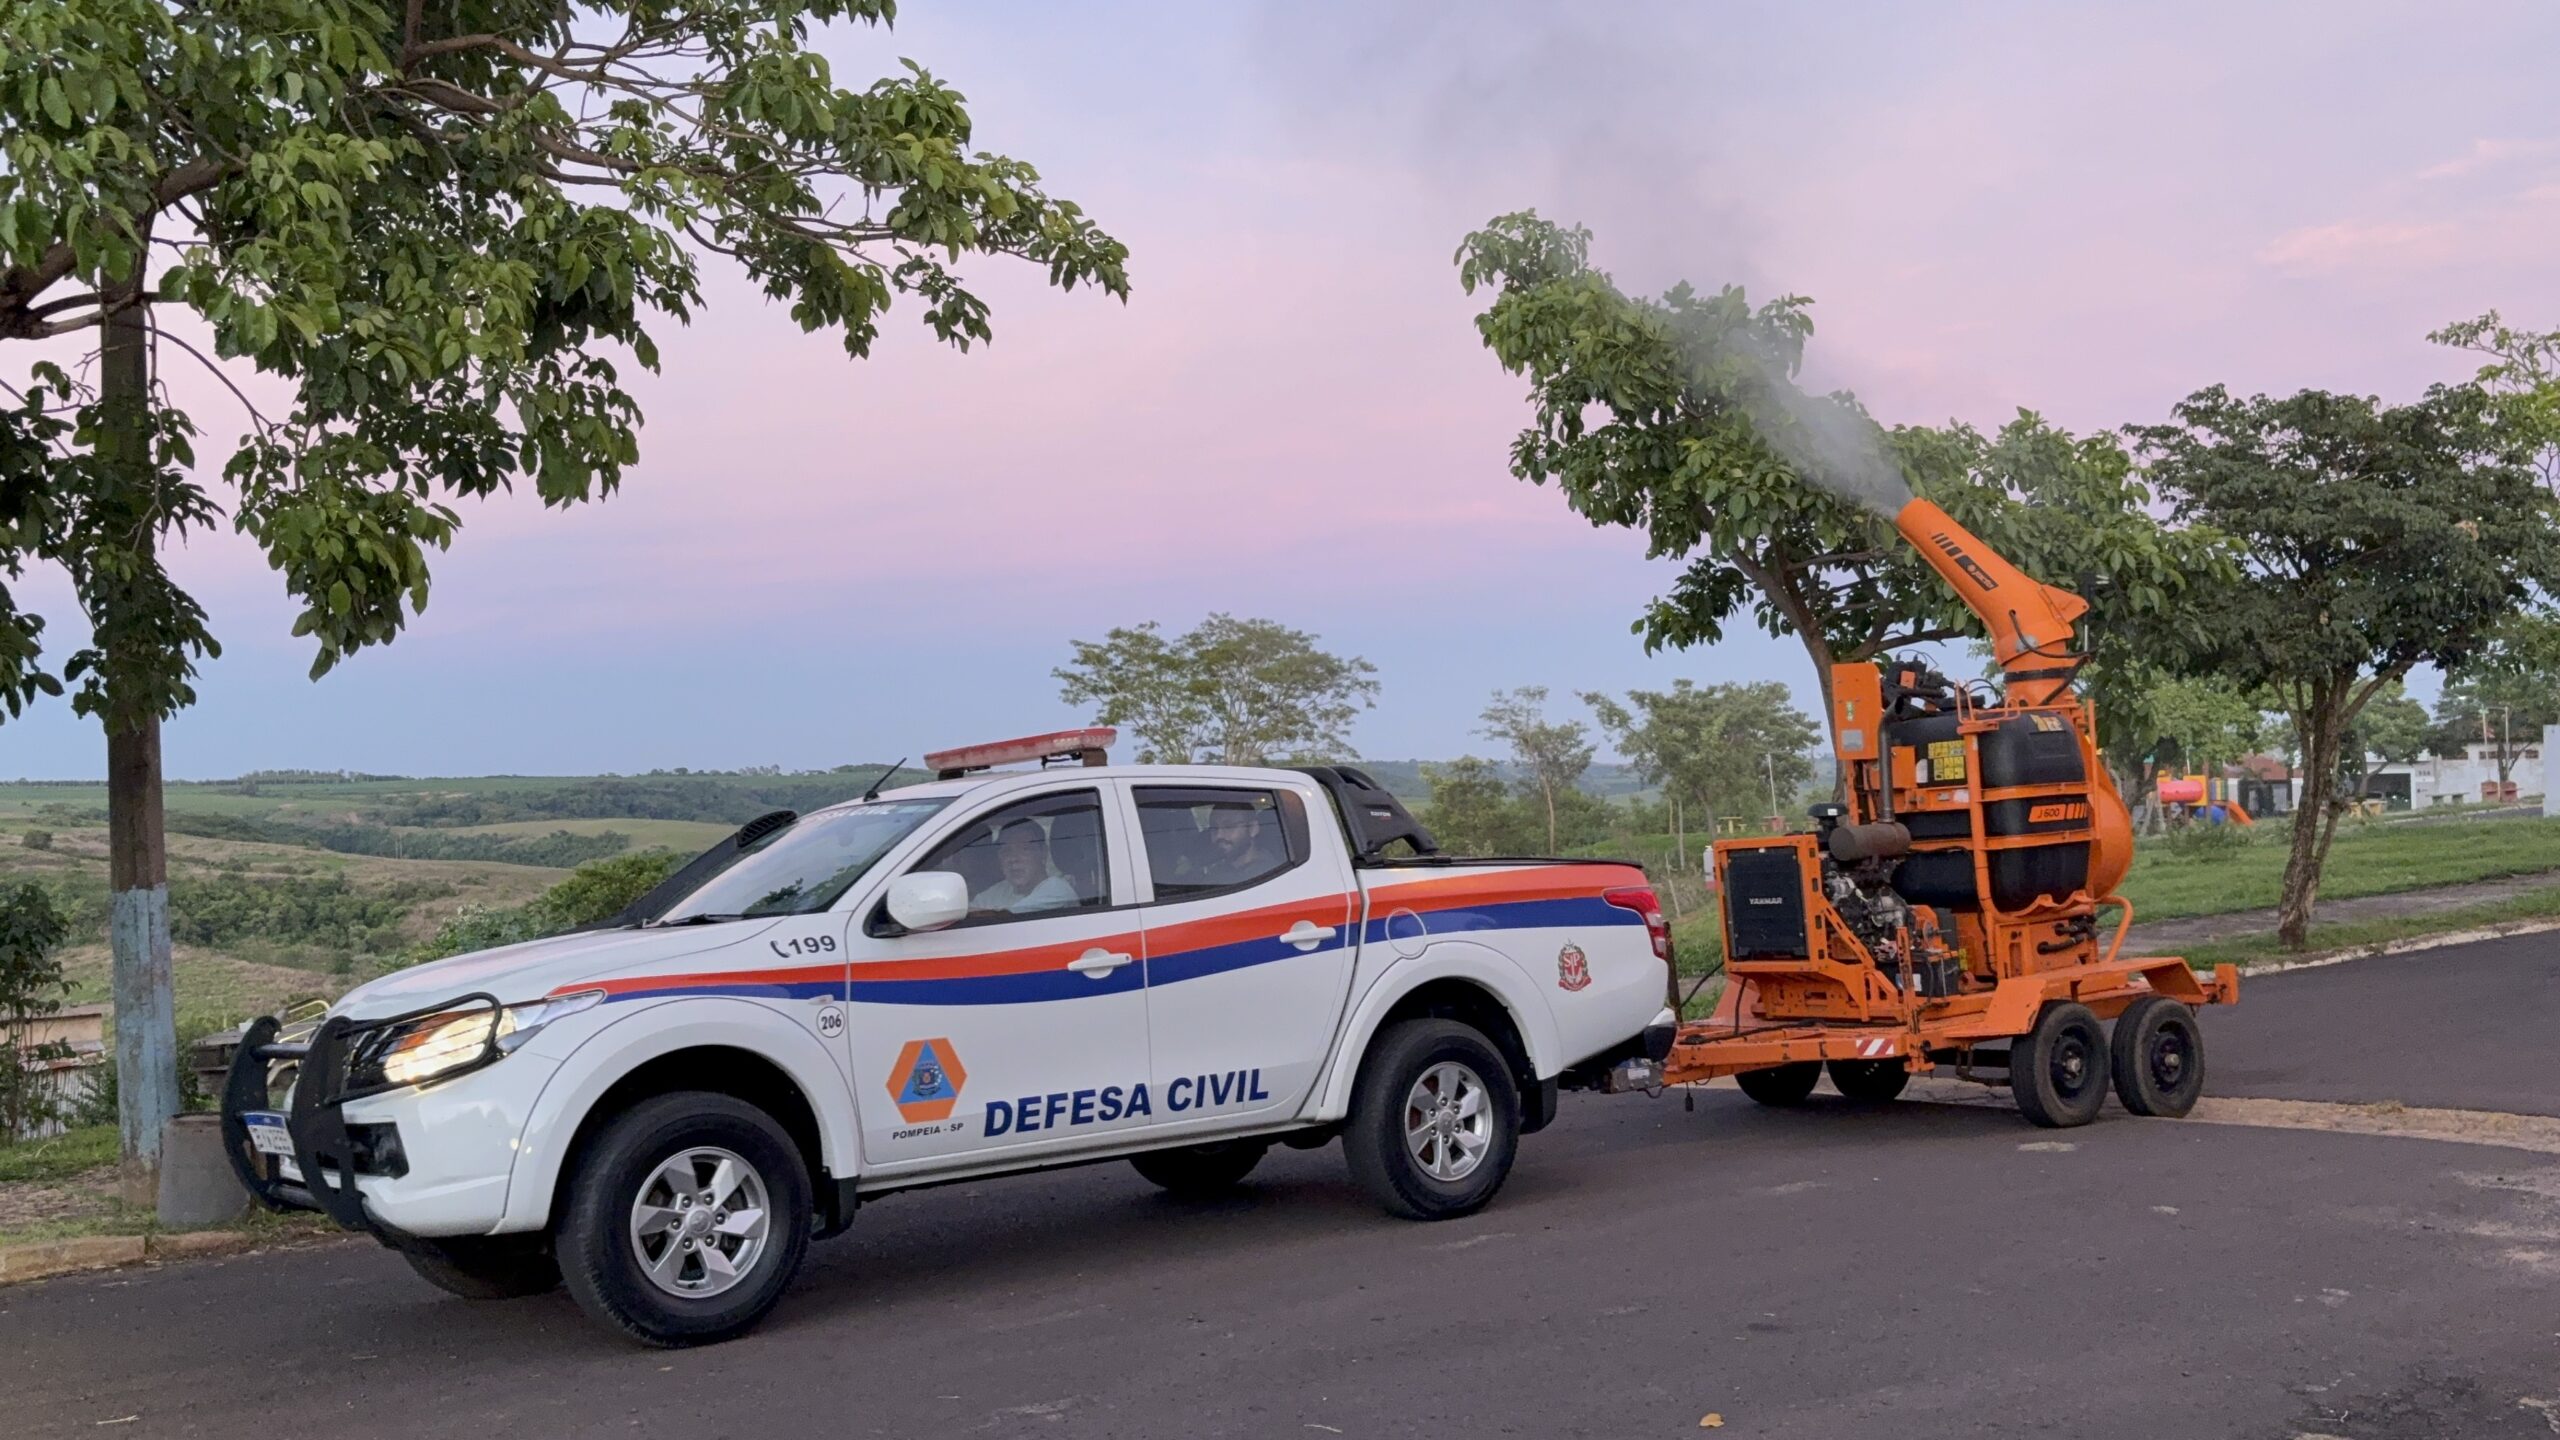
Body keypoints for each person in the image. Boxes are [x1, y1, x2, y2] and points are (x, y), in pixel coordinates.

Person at [970, 818, 1079, 914]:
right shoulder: (997, 891)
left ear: (1043, 853)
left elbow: (1005, 918)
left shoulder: (1057, 889)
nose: (1013, 859)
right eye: (1006, 851)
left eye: (1024, 849)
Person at [1189, 801, 1281, 888]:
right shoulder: (1215, 872)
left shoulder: (1273, 875)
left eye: (1229, 826)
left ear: (1253, 828)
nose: (1219, 835)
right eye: (1214, 828)